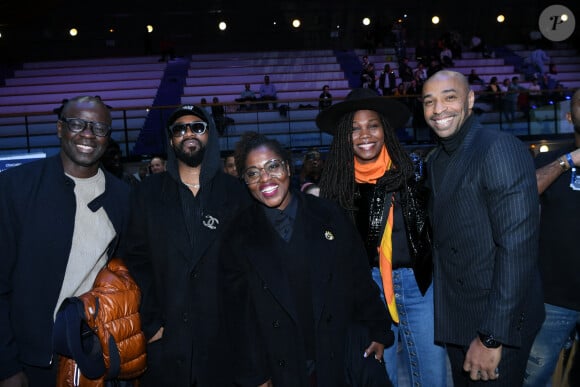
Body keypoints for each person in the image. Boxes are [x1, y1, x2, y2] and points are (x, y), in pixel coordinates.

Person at [220, 131, 394, 387]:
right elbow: (238, 316)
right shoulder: (237, 236)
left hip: (338, 354)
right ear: (245, 181)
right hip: (282, 363)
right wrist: (255, 374)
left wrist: (379, 330)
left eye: (273, 166)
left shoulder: (329, 215)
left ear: (288, 167)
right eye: (253, 173)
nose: (265, 178)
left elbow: (358, 278)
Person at [316, 88, 447, 387]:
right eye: (354, 128)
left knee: (432, 377)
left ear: (384, 128)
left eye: (372, 125)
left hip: (419, 286)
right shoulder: (337, 184)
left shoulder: (415, 170)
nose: (365, 134)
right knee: (379, 377)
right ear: (343, 137)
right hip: (367, 290)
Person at [421, 70, 544, 386]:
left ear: (470, 100)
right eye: (429, 102)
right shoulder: (436, 159)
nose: (438, 110)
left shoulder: (498, 148)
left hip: (495, 323)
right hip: (459, 320)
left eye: (449, 97)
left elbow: (517, 249)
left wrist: (492, 337)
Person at [0, 95, 131, 386]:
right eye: (77, 124)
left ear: (108, 137)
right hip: (25, 360)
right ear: (60, 128)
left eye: (99, 128)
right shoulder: (15, 187)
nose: (88, 134)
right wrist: (6, 365)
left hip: (88, 354)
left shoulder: (122, 197)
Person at [121, 104, 251, 386]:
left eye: (197, 127)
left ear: (209, 135)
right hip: (166, 341)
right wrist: (151, 323)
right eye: (179, 129)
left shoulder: (237, 194)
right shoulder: (146, 193)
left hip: (224, 341)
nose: (188, 133)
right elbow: (134, 260)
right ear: (171, 140)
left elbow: (247, 267)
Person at [523, 89, 580, 387]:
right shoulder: (553, 160)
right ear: (570, 116)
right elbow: (522, 194)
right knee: (532, 380)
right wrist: (568, 161)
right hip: (554, 300)